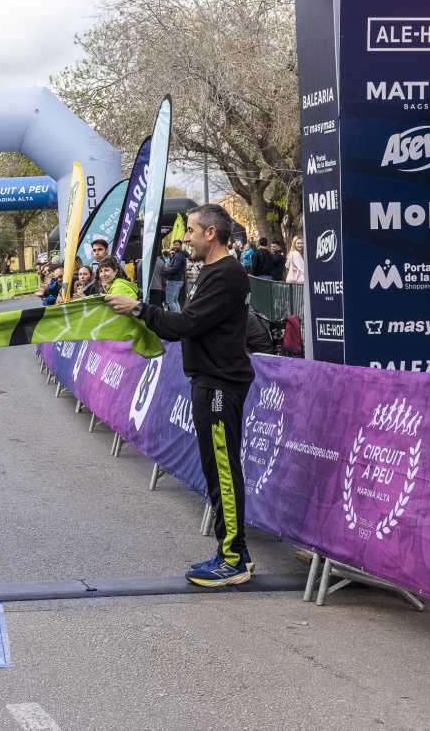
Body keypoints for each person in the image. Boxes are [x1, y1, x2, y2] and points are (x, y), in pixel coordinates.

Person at [106, 204, 255, 588]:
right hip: (209, 381)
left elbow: (186, 325)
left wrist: (139, 308)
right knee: (214, 469)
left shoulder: (227, 274)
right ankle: (232, 550)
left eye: (190, 230)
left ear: (211, 234)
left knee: (223, 471)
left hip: (221, 385)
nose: (183, 237)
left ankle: (234, 558)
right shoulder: (210, 272)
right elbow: (188, 325)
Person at [163, 239, 188, 313]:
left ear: (180, 245)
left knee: (170, 301)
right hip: (177, 280)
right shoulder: (178, 255)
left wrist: (164, 271)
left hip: (174, 280)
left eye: (177, 245)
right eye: (174, 245)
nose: (175, 246)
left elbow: (175, 268)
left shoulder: (179, 256)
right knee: (174, 300)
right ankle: (179, 317)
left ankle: (177, 318)